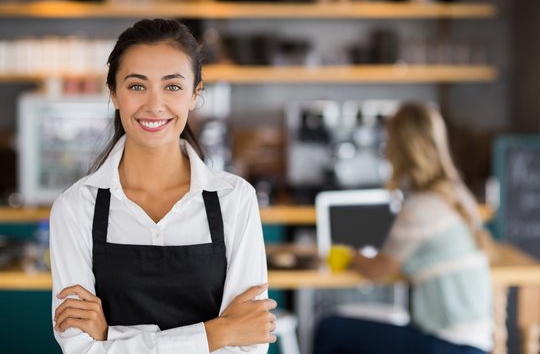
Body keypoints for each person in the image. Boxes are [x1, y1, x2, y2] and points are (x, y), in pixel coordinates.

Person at [50, 18, 276, 353]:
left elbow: (248, 344)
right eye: (137, 86)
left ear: (195, 94)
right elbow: (81, 348)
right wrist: (217, 334)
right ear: (113, 93)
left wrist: (112, 338)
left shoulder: (234, 200)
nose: (154, 105)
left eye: (172, 86)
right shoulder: (75, 208)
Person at [314, 102, 494, 354]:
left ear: (400, 149)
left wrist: (350, 253)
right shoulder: (457, 195)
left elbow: (376, 271)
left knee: (330, 329)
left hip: (448, 345)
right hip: (477, 343)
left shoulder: (421, 208)